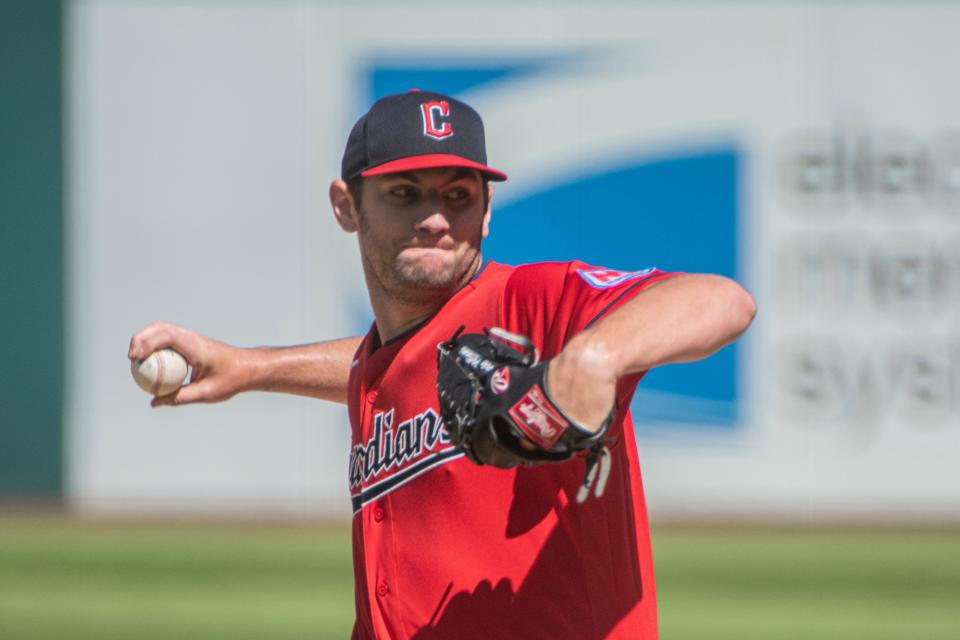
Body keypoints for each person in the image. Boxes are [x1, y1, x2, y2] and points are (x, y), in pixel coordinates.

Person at [129, 90, 756, 639]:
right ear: (346, 206)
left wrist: (595, 356)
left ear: (486, 210)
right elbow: (393, 365)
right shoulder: (382, 362)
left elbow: (721, 301)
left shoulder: (529, 306)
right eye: (405, 194)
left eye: (459, 196)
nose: (435, 219)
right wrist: (253, 367)